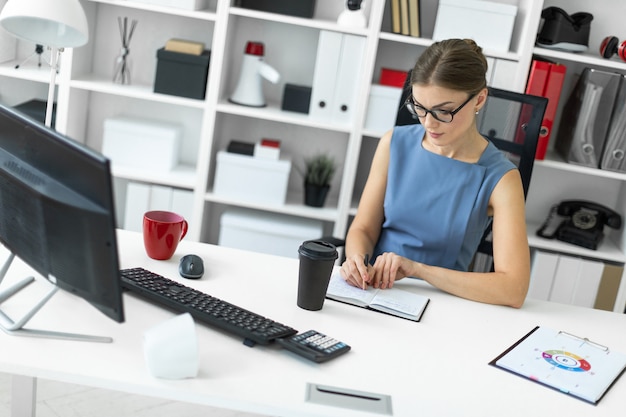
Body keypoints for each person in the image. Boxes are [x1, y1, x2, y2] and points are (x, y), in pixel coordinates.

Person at [340, 38, 530, 308]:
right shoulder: (394, 143)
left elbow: (513, 289)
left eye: (444, 111)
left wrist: (418, 270)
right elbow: (363, 229)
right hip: (373, 293)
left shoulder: (501, 178)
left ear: (480, 99)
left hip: (442, 305)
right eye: (419, 107)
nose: (428, 123)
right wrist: (356, 259)